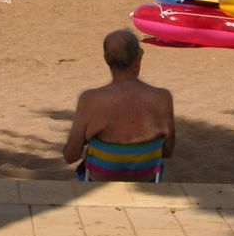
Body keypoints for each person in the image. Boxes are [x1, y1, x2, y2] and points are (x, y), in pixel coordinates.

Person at [63, 30, 175, 182]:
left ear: (106, 60)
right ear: (138, 59)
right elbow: (167, 151)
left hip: (98, 186)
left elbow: (70, 156)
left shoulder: (90, 100)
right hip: (146, 183)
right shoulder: (162, 98)